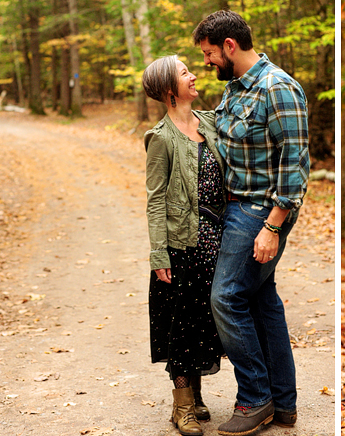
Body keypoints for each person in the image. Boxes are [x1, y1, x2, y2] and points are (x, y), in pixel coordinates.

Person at [192, 10, 310, 436]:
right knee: (261, 300)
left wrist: (273, 226)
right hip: (238, 206)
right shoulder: (236, 90)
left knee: (225, 297)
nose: (207, 63)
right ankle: (283, 403)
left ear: (229, 45)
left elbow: (295, 164)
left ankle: (255, 397)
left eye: (208, 54)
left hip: (260, 210)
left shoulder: (276, 88)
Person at [142, 55, 226, 436]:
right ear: (167, 90)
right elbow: (155, 199)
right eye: (184, 73)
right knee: (182, 323)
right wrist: (159, 253)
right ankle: (182, 408)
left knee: (205, 319)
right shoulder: (161, 137)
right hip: (180, 243)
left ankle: (196, 394)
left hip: (216, 236)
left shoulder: (208, 121)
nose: (193, 76)